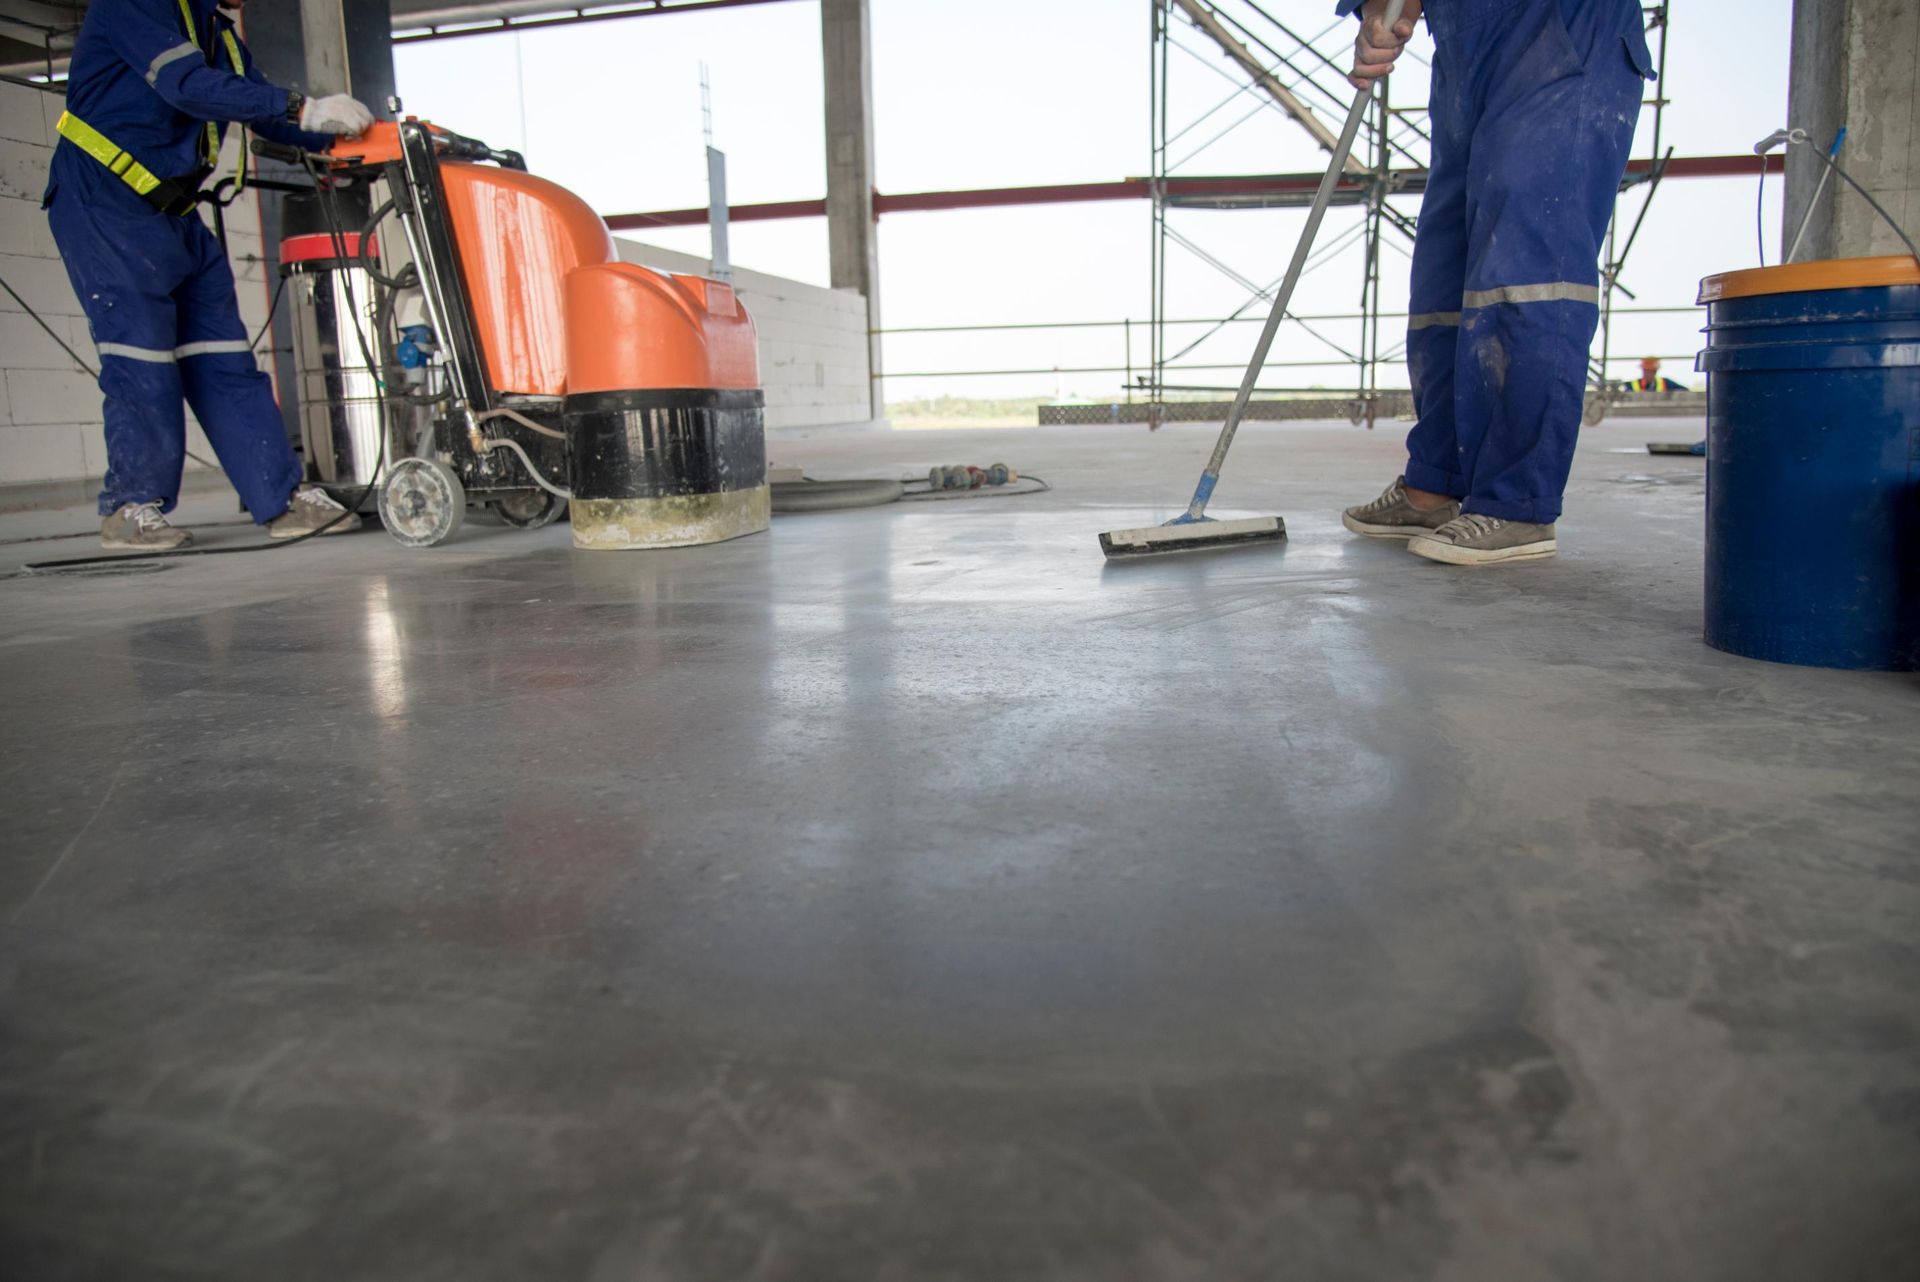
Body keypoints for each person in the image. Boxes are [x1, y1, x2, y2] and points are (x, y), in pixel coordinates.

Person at [44, 0, 377, 550]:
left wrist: (348, 138)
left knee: (224, 359)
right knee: (141, 355)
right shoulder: (135, 4)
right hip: (105, 201)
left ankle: (282, 498)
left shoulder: (213, 26)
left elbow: (263, 112)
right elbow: (184, 84)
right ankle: (131, 506)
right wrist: (302, 107)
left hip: (173, 212)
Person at [1338, 0, 1657, 565]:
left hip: (1560, 26)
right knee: (1446, 271)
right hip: (1462, 39)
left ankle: (1517, 504)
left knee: (1528, 262)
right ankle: (1435, 482)